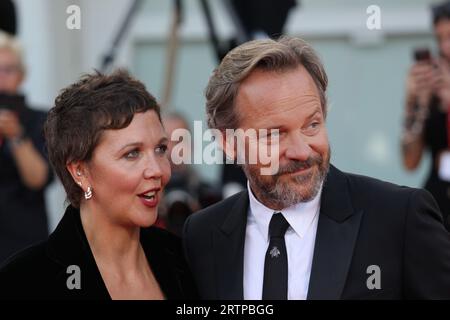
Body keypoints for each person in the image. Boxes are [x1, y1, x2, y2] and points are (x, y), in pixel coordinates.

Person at [183, 36, 450, 300]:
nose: (301, 151)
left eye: (312, 125)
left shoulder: (398, 218)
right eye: (274, 134)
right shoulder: (202, 235)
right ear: (229, 143)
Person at [0, 70, 198, 300]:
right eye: (132, 154)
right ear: (80, 171)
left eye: (160, 149)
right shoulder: (24, 282)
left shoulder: (187, 260)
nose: (158, 170)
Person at [0, 31, 53, 264]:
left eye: (7, 70)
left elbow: (38, 178)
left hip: (24, 245)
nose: (0, 77)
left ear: (21, 75)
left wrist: (16, 135)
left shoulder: (40, 120)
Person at [402, 1, 450, 230]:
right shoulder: (434, 83)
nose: (445, 48)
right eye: (440, 39)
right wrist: (413, 104)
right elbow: (410, 161)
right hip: (439, 198)